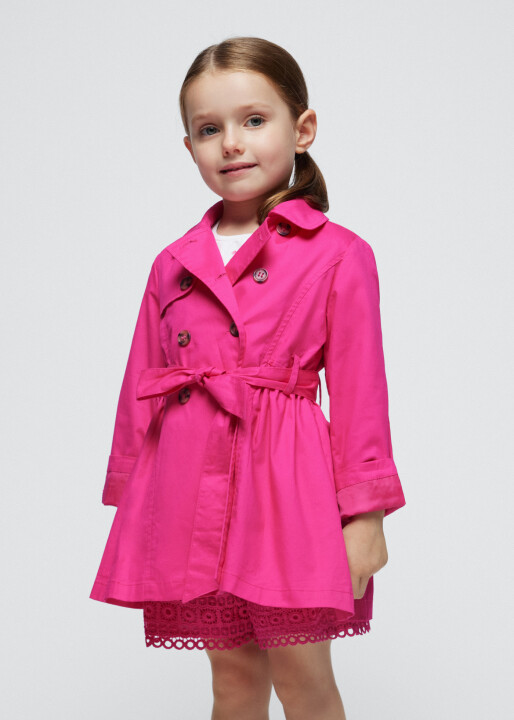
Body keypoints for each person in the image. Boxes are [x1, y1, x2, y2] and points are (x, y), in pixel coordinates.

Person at [90, 36, 406, 720]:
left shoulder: (338, 253)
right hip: (186, 484)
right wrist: (131, 493)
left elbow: (361, 394)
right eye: (209, 130)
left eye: (254, 120)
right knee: (232, 678)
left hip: (288, 487)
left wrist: (367, 516)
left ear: (303, 128)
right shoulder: (173, 262)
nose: (231, 143)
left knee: (303, 677)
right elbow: (141, 381)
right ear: (189, 147)